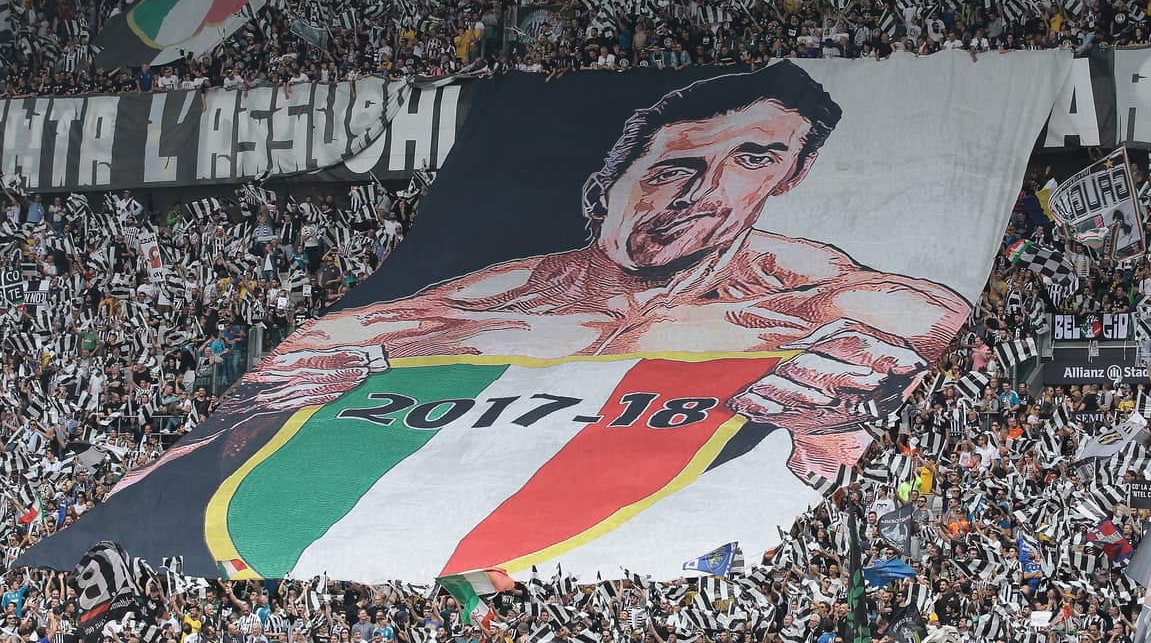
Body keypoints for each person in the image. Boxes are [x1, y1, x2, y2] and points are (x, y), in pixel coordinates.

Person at [103, 62, 970, 577]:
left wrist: (833, 430)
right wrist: (256, 417)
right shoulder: (475, 306)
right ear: (611, 181)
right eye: (674, 168)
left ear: (789, 175)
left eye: (753, 159)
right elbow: (201, 465)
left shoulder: (831, 299)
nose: (703, 194)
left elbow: (926, 354)